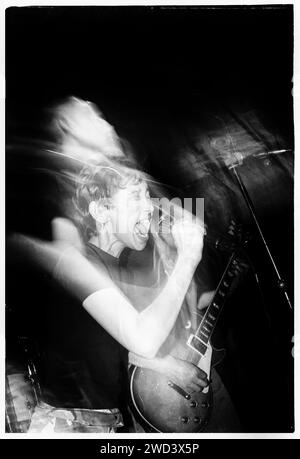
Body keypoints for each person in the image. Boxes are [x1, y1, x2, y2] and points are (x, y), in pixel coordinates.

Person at [22, 158, 206, 433]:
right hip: (69, 425)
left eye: (147, 196)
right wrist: (188, 258)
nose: (149, 206)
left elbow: (124, 345)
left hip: (114, 421)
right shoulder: (77, 262)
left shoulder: (123, 270)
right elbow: (142, 339)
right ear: (101, 211)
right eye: (135, 197)